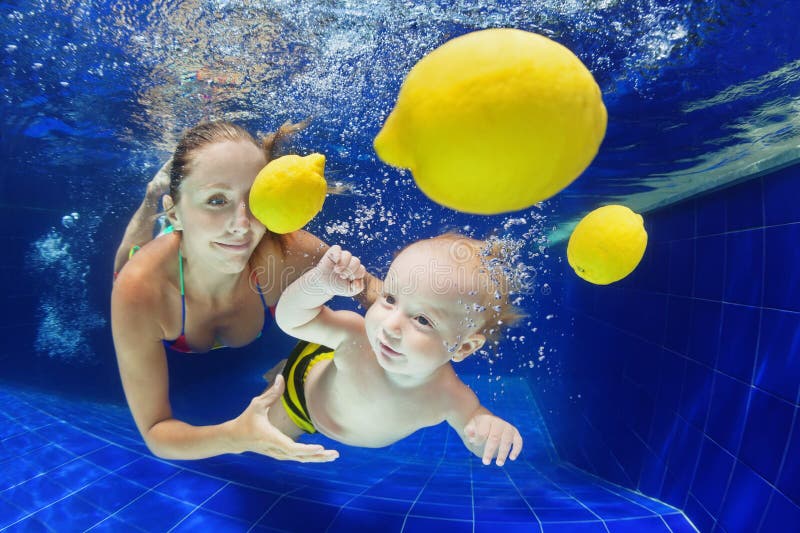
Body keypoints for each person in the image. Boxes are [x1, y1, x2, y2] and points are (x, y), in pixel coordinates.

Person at [111, 120, 380, 462]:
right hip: (155, 262)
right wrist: (236, 436)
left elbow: (372, 289)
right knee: (126, 260)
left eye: (253, 199)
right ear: (176, 212)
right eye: (216, 199)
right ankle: (152, 198)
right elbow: (156, 432)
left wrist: (438, 317)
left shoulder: (281, 253)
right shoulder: (141, 292)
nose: (243, 225)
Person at [267, 234, 524, 466]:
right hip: (302, 397)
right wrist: (320, 284)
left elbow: (475, 436)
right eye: (390, 299)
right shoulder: (356, 336)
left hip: (331, 393)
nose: (390, 327)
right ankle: (279, 373)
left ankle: (277, 370)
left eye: (422, 320)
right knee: (266, 443)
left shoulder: (448, 395)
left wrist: (488, 430)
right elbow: (291, 320)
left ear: (464, 346)